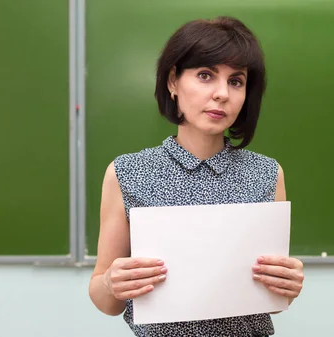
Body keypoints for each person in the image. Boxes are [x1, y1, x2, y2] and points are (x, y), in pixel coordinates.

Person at [88, 16, 305, 337]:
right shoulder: (127, 172)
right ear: (173, 81)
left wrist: (287, 284)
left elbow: (272, 300)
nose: (222, 94)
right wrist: (111, 282)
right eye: (206, 75)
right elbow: (106, 301)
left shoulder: (266, 173)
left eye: (236, 81)